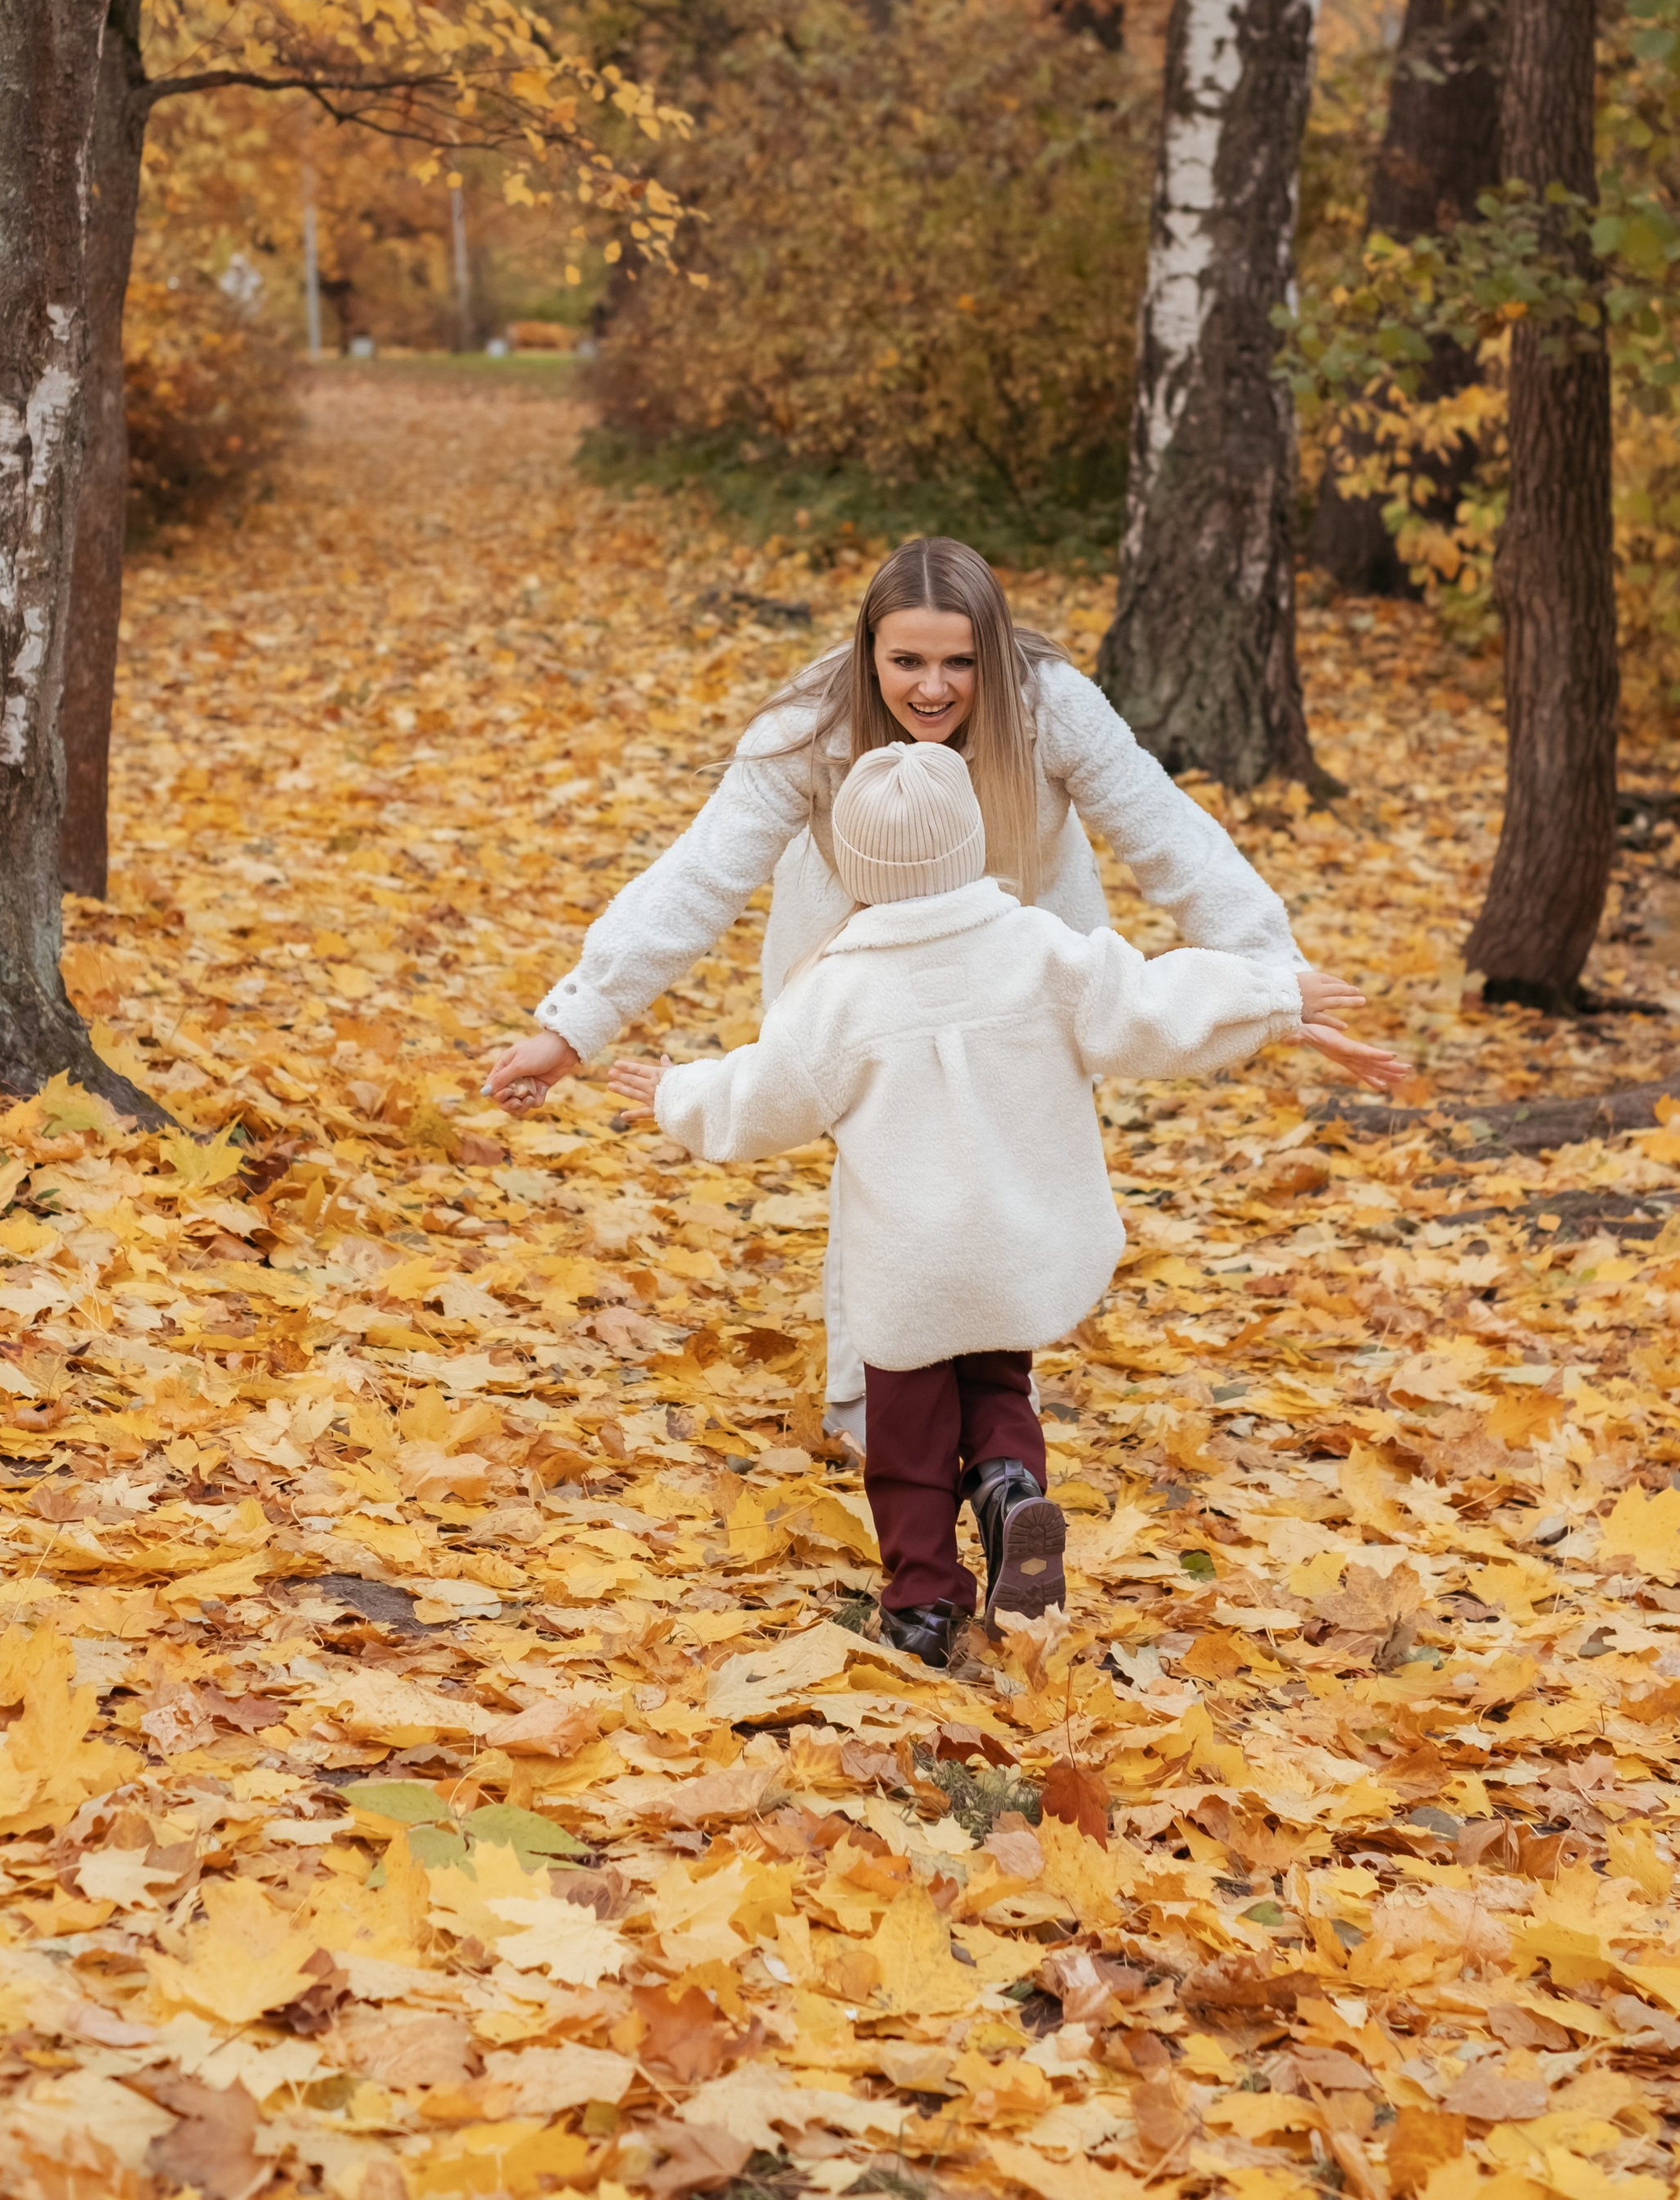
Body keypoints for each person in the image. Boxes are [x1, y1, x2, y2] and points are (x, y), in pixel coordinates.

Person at [486, 534, 1366, 1451]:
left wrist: (1275, 980)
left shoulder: (1053, 708)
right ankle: (868, 1405)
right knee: (884, 1165)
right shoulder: (806, 729)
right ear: (868, 652)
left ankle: (993, 1399)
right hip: (857, 962)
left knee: (1007, 1167)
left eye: (960, 662)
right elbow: (699, 877)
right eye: (906, 660)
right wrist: (576, 1025)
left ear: (995, 652)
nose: (932, 688)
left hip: (1024, 966)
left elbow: (1169, 837)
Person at [608, 741, 1403, 1666]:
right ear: (972, 846)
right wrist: (1273, 992)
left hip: (910, 1263)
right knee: (997, 1385)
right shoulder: (1038, 950)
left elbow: (762, 1098)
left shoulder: (837, 992)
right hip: (1015, 1241)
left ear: (854, 869)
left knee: (906, 1438)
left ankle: (923, 1604)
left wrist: (675, 1090)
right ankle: (1009, 1486)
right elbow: (1150, 1001)